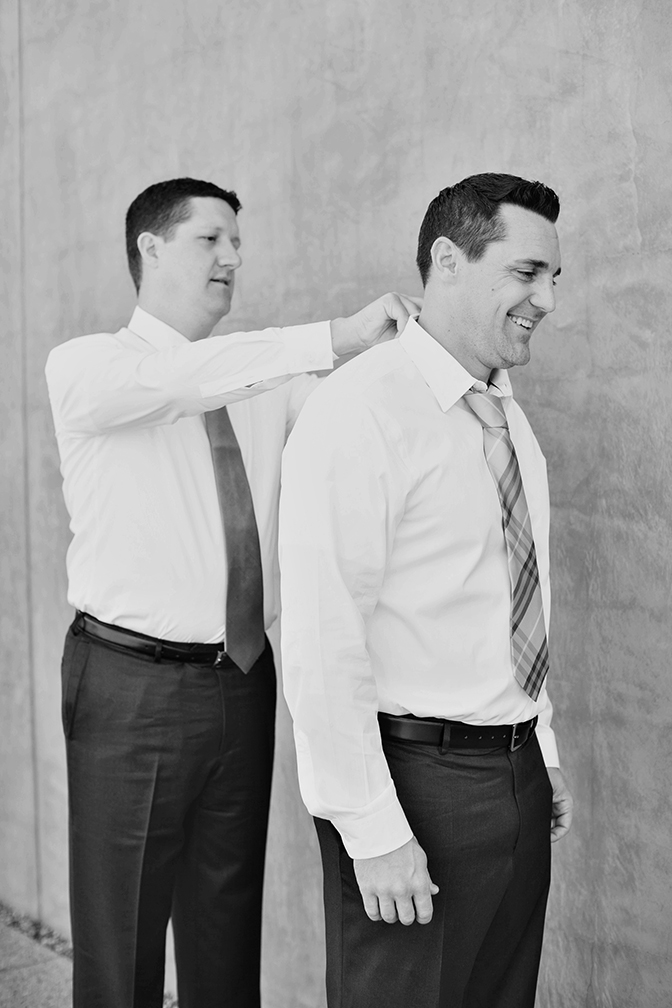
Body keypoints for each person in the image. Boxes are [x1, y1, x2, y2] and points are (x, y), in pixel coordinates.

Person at [44, 176, 418, 1008]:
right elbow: (185, 380)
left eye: (238, 243)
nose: (232, 257)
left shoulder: (267, 383)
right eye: (210, 239)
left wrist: (416, 350)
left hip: (244, 680)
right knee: (123, 944)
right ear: (149, 246)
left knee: (225, 927)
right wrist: (335, 332)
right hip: (129, 687)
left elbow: (356, 427)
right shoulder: (88, 368)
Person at [279, 172, 574, 1008]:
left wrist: (540, 747)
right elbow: (321, 634)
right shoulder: (360, 411)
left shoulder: (507, 417)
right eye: (526, 273)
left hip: (512, 777)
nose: (547, 298)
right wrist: (370, 829)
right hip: (412, 786)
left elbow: (516, 597)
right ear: (448, 259)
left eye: (555, 277)